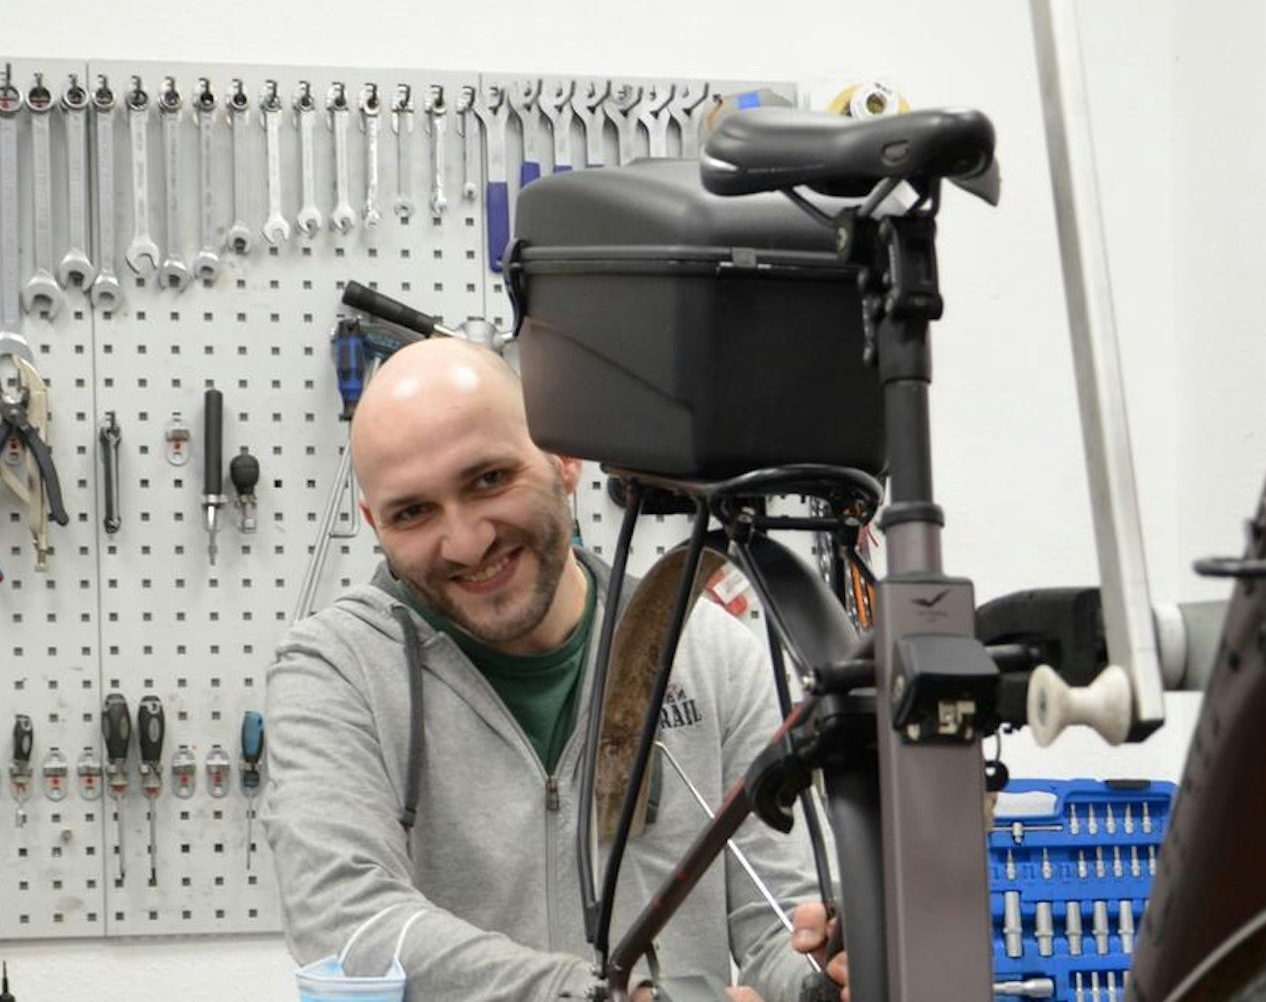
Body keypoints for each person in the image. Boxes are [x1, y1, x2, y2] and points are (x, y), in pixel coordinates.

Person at [262, 337, 842, 1001]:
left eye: (489, 479)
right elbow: (345, 922)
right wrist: (597, 995)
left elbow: (781, 928)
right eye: (413, 512)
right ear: (374, 524)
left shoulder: (709, 653)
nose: (467, 543)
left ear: (564, 460)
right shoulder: (335, 675)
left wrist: (827, 976)